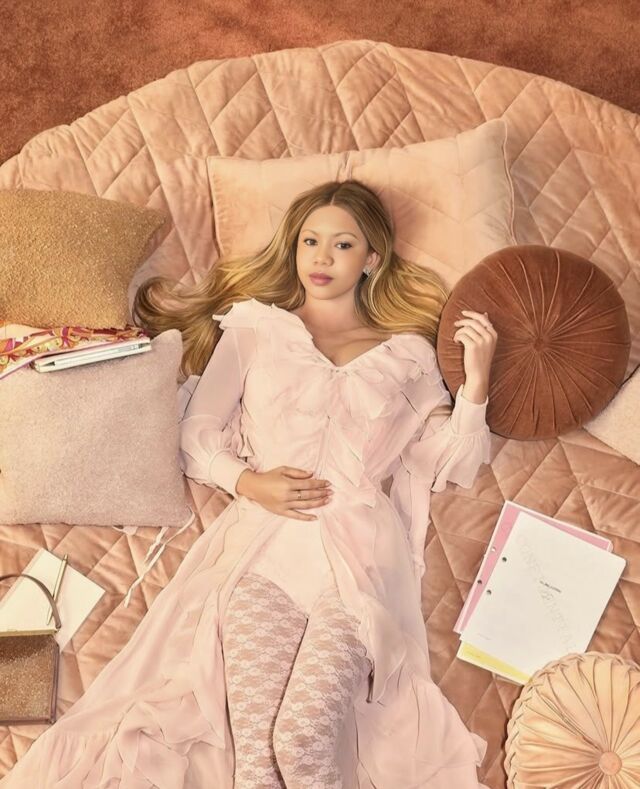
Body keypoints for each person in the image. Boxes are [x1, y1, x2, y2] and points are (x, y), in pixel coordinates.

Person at [0, 179, 496, 788]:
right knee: (257, 761)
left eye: (342, 245)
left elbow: (448, 463)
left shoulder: (408, 356)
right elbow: (196, 433)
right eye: (310, 241)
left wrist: (476, 384)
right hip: (262, 554)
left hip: (359, 559)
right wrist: (250, 483)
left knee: (301, 738)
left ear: (372, 259)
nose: (321, 256)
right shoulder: (257, 330)